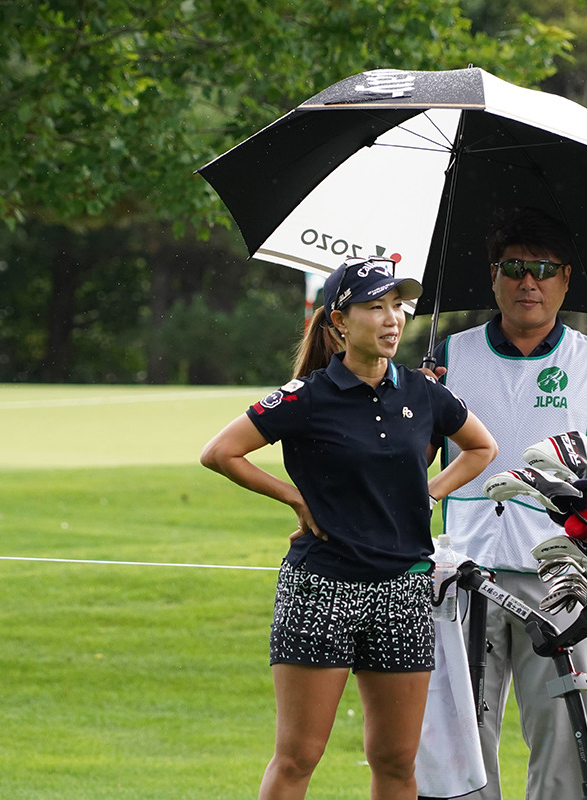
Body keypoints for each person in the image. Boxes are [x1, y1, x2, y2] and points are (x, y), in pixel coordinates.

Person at [200, 256, 497, 800]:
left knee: (396, 762)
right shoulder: (305, 396)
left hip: (404, 588)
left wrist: (429, 491)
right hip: (322, 588)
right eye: (375, 307)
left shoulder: (423, 392)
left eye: (397, 307)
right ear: (339, 321)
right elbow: (220, 453)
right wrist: (293, 497)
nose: (392, 320)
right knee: (297, 758)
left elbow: (482, 447)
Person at [422, 207, 587, 800]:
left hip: (566, 584)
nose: (530, 282)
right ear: (494, 275)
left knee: (563, 739)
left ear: (566, 279)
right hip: (462, 575)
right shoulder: (447, 357)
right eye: (516, 268)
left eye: (544, 270)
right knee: (463, 742)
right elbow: (409, 465)